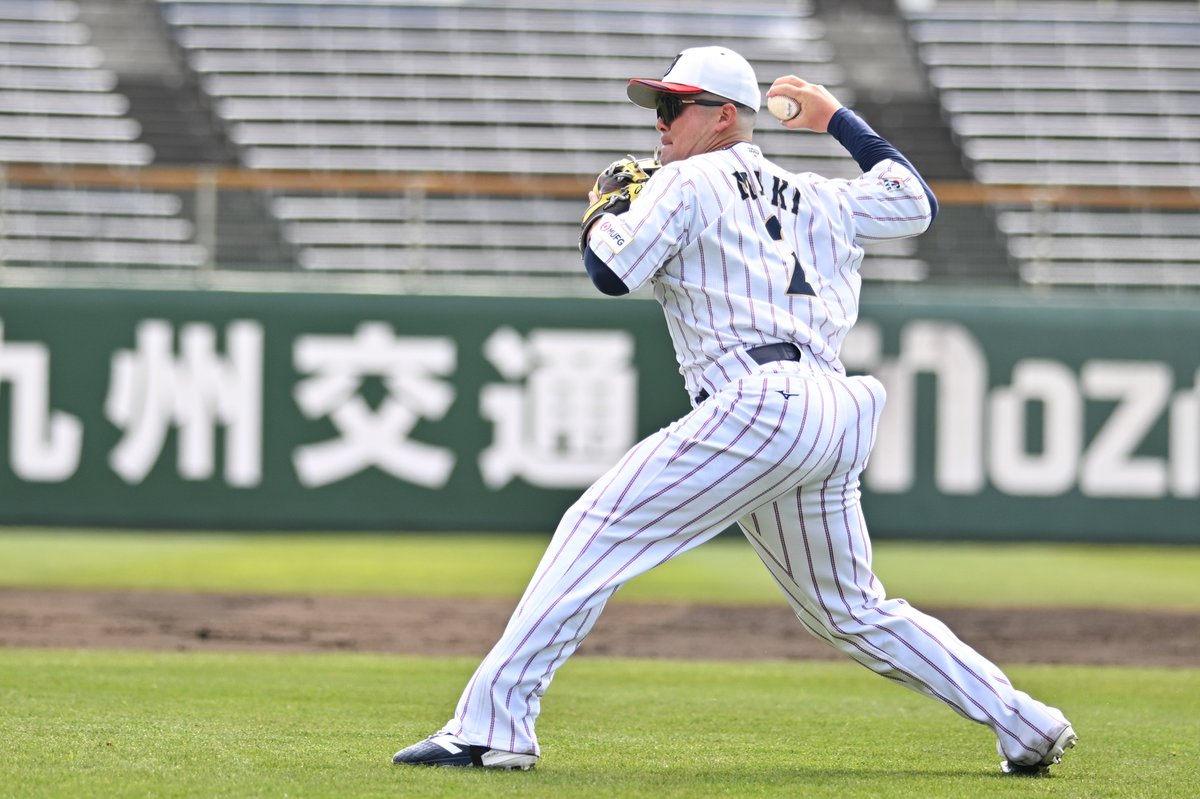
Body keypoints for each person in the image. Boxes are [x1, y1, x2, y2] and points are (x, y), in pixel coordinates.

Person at [392, 45, 1076, 776]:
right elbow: (916, 201)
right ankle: (1025, 723)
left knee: (594, 529)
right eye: (658, 106)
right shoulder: (818, 194)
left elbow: (611, 273)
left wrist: (603, 210)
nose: (659, 122)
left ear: (723, 117)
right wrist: (837, 120)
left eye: (673, 107)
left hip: (758, 404)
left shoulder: (688, 182)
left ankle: (494, 726)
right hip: (830, 412)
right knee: (850, 609)